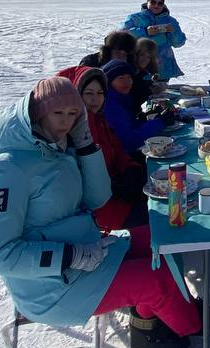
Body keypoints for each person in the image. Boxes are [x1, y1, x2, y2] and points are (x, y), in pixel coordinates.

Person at [0, 75, 204, 348]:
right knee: (155, 279)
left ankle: (149, 322)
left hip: (89, 253)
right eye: (57, 113)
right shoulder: (8, 169)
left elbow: (98, 199)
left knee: (160, 237)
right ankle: (192, 325)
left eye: (73, 114)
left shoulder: (61, 148)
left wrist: (86, 147)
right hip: (51, 286)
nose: (65, 122)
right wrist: (69, 255)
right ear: (36, 114)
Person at [56, 64, 149, 235]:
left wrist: (130, 168)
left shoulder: (100, 119)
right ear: (77, 95)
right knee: (163, 215)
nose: (95, 100)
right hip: (102, 210)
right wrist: (116, 186)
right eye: (88, 93)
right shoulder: (75, 129)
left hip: (117, 195)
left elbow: (117, 149)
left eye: (99, 93)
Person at [101, 59, 172, 155]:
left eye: (129, 77)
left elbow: (128, 126)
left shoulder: (120, 97)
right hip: (120, 158)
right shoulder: (110, 105)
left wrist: (149, 119)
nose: (127, 82)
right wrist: (159, 122)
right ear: (109, 81)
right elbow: (129, 141)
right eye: (121, 78)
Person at [123, 0, 186, 81]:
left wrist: (172, 32)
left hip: (163, 70)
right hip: (140, 67)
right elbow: (122, 35)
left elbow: (178, 43)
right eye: (153, 2)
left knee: (162, 94)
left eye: (160, 3)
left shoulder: (171, 21)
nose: (156, 5)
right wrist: (145, 31)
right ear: (147, 2)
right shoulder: (135, 18)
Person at [131, 38, 160, 112]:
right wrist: (150, 91)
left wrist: (151, 85)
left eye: (148, 57)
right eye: (142, 55)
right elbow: (133, 97)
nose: (145, 59)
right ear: (135, 54)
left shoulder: (140, 72)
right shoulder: (129, 72)